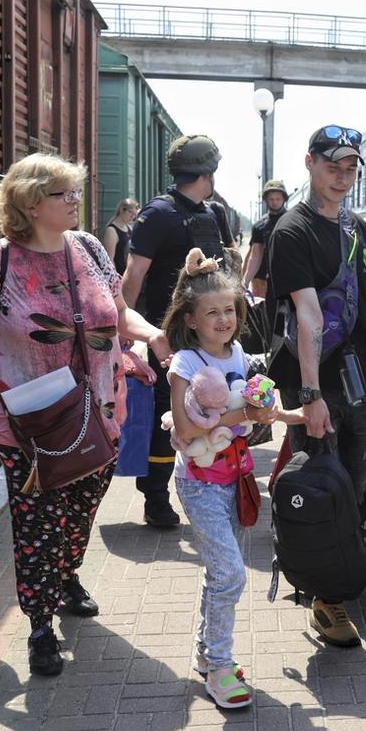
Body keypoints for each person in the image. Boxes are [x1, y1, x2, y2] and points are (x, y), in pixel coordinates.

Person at [0, 153, 171, 676]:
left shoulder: (89, 248)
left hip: (102, 409)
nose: (75, 201)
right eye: (63, 193)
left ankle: (66, 575)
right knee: (38, 522)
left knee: (83, 508)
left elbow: (117, 311)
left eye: (75, 192)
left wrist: (149, 333)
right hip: (30, 421)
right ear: (29, 203)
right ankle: (40, 624)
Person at [162, 249, 301, 709]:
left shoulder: (239, 352)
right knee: (231, 575)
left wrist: (282, 412)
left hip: (235, 476)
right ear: (191, 320)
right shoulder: (184, 362)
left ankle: (207, 653)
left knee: (219, 573)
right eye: (212, 313)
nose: (223, 319)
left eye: (229, 310)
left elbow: (250, 408)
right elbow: (185, 428)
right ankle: (220, 668)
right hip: (200, 482)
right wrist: (245, 411)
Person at [266, 124, 366, 647]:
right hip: (313, 379)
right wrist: (311, 398)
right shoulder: (292, 231)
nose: (342, 177)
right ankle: (324, 598)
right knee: (321, 481)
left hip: (358, 376)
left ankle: (336, 570)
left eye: (351, 168)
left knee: (355, 479)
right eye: (333, 166)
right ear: (310, 162)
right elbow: (307, 315)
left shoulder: (356, 227)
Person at [123, 134, 234, 529]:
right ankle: (155, 497)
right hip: (167, 336)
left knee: (215, 409)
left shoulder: (213, 213)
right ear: (210, 170)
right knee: (163, 417)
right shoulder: (158, 214)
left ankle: (215, 484)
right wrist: (126, 332)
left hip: (208, 335)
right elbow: (133, 276)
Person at [243, 179, 289, 299]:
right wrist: (245, 281)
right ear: (266, 200)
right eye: (271, 199)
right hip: (262, 280)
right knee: (262, 315)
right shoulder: (259, 226)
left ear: (284, 199)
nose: (274, 202)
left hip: (288, 279)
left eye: (278, 199)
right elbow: (255, 255)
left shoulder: (293, 222)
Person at [102, 198, 138, 275]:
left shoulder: (129, 228)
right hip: (118, 275)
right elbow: (110, 259)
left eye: (134, 216)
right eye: (131, 214)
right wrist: (115, 278)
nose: (132, 217)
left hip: (127, 274)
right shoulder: (111, 230)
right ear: (122, 210)